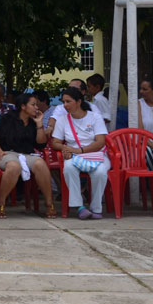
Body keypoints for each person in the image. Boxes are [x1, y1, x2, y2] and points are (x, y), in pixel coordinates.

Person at [0, 93, 56, 218]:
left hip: (28, 154)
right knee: (14, 166)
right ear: (23, 106)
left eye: (36, 104)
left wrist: (39, 124)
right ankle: (1, 202)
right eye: (33, 104)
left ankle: (49, 203)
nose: (36, 107)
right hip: (8, 153)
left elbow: (41, 144)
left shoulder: (33, 122)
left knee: (40, 164)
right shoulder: (7, 119)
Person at [51, 86, 110, 220]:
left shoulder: (95, 117)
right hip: (74, 156)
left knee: (100, 172)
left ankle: (96, 208)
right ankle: (79, 207)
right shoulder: (62, 120)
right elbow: (55, 143)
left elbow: (100, 142)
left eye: (68, 101)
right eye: (63, 102)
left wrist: (80, 150)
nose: (65, 105)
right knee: (69, 168)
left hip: (96, 155)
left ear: (78, 102)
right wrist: (65, 149)